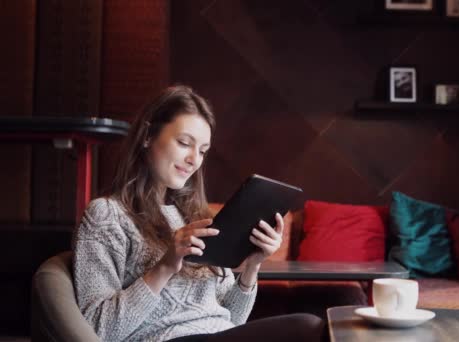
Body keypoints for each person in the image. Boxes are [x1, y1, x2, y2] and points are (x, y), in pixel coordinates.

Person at [72, 85, 325, 342]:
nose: (195, 159)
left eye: (203, 150)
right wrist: (166, 266)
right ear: (148, 136)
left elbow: (232, 320)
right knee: (308, 327)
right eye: (184, 143)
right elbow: (96, 330)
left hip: (214, 335)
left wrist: (252, 266)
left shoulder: (195, 217)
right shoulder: (106, 215)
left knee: (320, 326)